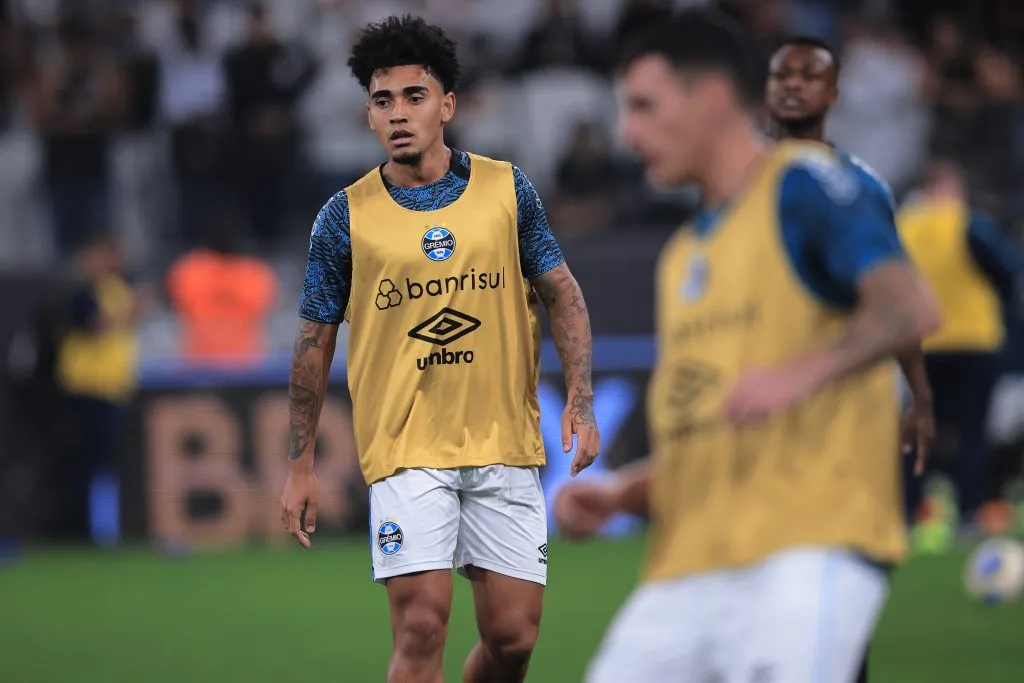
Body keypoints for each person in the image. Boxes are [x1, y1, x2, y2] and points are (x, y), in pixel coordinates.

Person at [555, 10, 941, 683]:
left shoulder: (803, 183)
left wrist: (806, 370)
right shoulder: (683, 255)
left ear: (712, 97)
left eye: (644, 106)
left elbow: (910, 304)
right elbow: (713, 436)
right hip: (688, 571)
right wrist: (624, 492)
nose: (628, 133)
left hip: (807, 552)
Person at [279, 15, 599, 683]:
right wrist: (300, 463)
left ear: (447, 105)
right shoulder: (343, 217)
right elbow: (313, 342)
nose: (398, 113)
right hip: (404, 449)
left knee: (513, 638)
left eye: (414, 96)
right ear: (368, 113)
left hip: (503, 440)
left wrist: (581, 397)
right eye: (382, 99)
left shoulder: (508, 191)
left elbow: (562, 294)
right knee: (422, 624)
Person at [764, 38, 936, 683]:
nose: (794, 84)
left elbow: (900, 296)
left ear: (835, 95)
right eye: (783, 73)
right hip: (756, 413)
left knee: (829, 586)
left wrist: (918, 392)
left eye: (811, 75)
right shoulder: (735, 184)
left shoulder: (861, 185)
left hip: (838, 415)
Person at [898, 159, 1024, 531]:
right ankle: (968, 510)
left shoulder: (902, 228)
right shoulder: (968, 224)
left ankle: (910, 510)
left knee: (921, 431)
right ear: (950, 189)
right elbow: (1008, 274)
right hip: (973, 343)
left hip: (922, 346)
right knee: (971, 432)